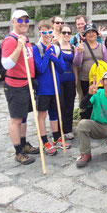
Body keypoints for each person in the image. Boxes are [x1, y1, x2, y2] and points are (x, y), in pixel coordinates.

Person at [1, 9, 39, 165]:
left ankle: (24, 144)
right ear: (13, 22)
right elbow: (6, 64)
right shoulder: (11, 40)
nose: (24, 23)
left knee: (23, 117)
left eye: (26, 20)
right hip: (15, 84)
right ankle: (18, 152)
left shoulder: (24, 38)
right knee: (16, 119)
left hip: (27, 83)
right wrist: (18, 47)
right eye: (20, 20)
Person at [33, 20, 69, 156]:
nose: (47, 35)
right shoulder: (36, 48)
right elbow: (41, 68)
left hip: (55, 87)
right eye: (44, 32)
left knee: (55, 113)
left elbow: (61, 68)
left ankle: (56, 138)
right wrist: (48, 54)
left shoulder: (56, 48)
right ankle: (44, 141)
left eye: (49, 32)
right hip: (43, 88)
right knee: (42, 115)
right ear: (40, 32)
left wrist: (53, 56)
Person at [73, 23, 107, 119]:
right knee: (88, 102)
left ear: (96, 34)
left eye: (93, 32)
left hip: (100, 81)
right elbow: (77, 63)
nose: (91, 34)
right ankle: (88, 122)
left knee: (100, 102)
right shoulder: (81, 46)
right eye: (88, 32)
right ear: (84, 35)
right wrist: (79, 52)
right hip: (86, 80)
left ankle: (100, 121)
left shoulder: (102, 47)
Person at [58, 24, 78, 140]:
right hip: (59, 80)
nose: (66, 35)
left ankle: (68, 129)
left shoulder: (72, 47)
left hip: (70, 79)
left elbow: (74, 65)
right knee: (60, 105)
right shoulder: (55, 45)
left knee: (70, 105)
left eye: (68, 33)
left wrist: (75, 80)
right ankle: (60, 129)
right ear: (60, 33)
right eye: (64, 32)